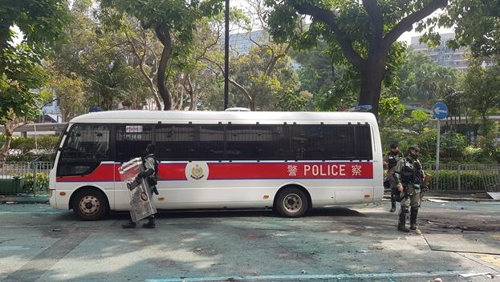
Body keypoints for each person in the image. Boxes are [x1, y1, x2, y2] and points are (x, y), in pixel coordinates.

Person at [122, 143, 159, 229]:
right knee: (147, 203)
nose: (145, 150)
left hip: (145, 184)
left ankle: (133, 222)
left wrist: (141, 174)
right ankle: (151, 222)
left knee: (135, 201)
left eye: (147, 148)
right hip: (149, 184)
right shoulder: (153, 158)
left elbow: (150, 170)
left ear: (149, 150)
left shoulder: (149, 159)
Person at [394, 145, 425, 234]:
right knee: (405, 206)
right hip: (406, 187)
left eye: (418, 152)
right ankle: (401, 225)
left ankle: (413, 224)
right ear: (410, 151)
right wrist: (399, 184)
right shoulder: (402, 162)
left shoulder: (417, 162)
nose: (417, 153)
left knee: (415, 206)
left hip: (416, 187)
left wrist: (423, 181)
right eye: (415, 151)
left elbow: (421, 173)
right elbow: (397, 174)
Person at [383, 144, 404, 212]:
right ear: (391, 149)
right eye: (394, 148)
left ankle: (403, 206)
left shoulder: (401, 154)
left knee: (403, 190)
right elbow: (384, 162)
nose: (396, 149)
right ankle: (393, 207)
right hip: (392, 174)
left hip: (401, 174)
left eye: (396, 148)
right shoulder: (388, 155)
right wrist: (385, 164)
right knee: (394, 190)